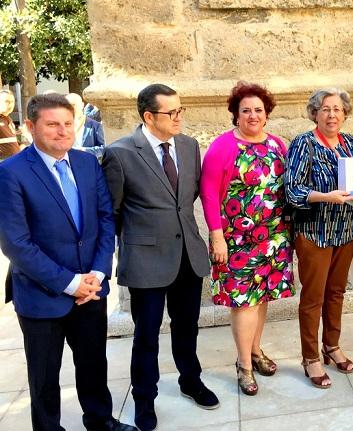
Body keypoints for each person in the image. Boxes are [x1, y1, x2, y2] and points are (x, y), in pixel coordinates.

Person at [0, 94, 135, 431]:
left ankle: (101, 420)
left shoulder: (88, 163)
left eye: (67, 123)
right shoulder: (10, 173)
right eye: (52, 124)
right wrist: (70, 283)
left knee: (93, 363)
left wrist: (98, 273)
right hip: (41, 294)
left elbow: (106, 219)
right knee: (44, 376)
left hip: (91, 289)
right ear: (31, 127)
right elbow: (16, 244)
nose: (62, 132)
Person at [102, 84, 218, 431]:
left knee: (188, 327)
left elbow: (188, 198)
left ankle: (190, 380)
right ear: (149, 116)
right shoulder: (120, 153)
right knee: (147, 334)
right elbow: (112, 211)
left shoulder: (188, 145)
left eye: (181, 110)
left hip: (188, 256)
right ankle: (144, 398)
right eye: (173, 113)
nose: (180, 118)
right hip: (146, 260)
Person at [199, 82, 294, 396]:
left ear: (266, 114)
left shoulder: (277, 145)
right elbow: (209, 193)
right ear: (235, 115)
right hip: (237, 241)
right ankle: (244, 365)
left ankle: (255, 350)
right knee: (243, 303)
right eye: (246, 110)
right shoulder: (223, 146)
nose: (253, 115)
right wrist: (216, 236)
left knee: (262, 297)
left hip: (275, 237)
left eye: (258, 110)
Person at [284, 88, 353, 389]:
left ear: (345, 114)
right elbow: (292, 191)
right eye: (325, 109)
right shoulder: (303, 143)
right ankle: (311, 357)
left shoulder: (350, 143)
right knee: (313, 297)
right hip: (314, 232)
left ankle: (331, 346)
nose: (332, 114)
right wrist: (327, 197)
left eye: (337, 109)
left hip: (345, 231)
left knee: (336, 293)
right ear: (315, 113)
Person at [66, 93, 106, 161]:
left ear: (82, 105)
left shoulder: (95, 126)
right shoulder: (61, 126)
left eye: (73, 105)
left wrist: (84, 150)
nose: (71, 108)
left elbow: (104, 149)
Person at [0, 89, 20, 160]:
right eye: (7, 101)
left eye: (12, 102)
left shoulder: (8, 119)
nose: (10, 105)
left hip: (14, 162)